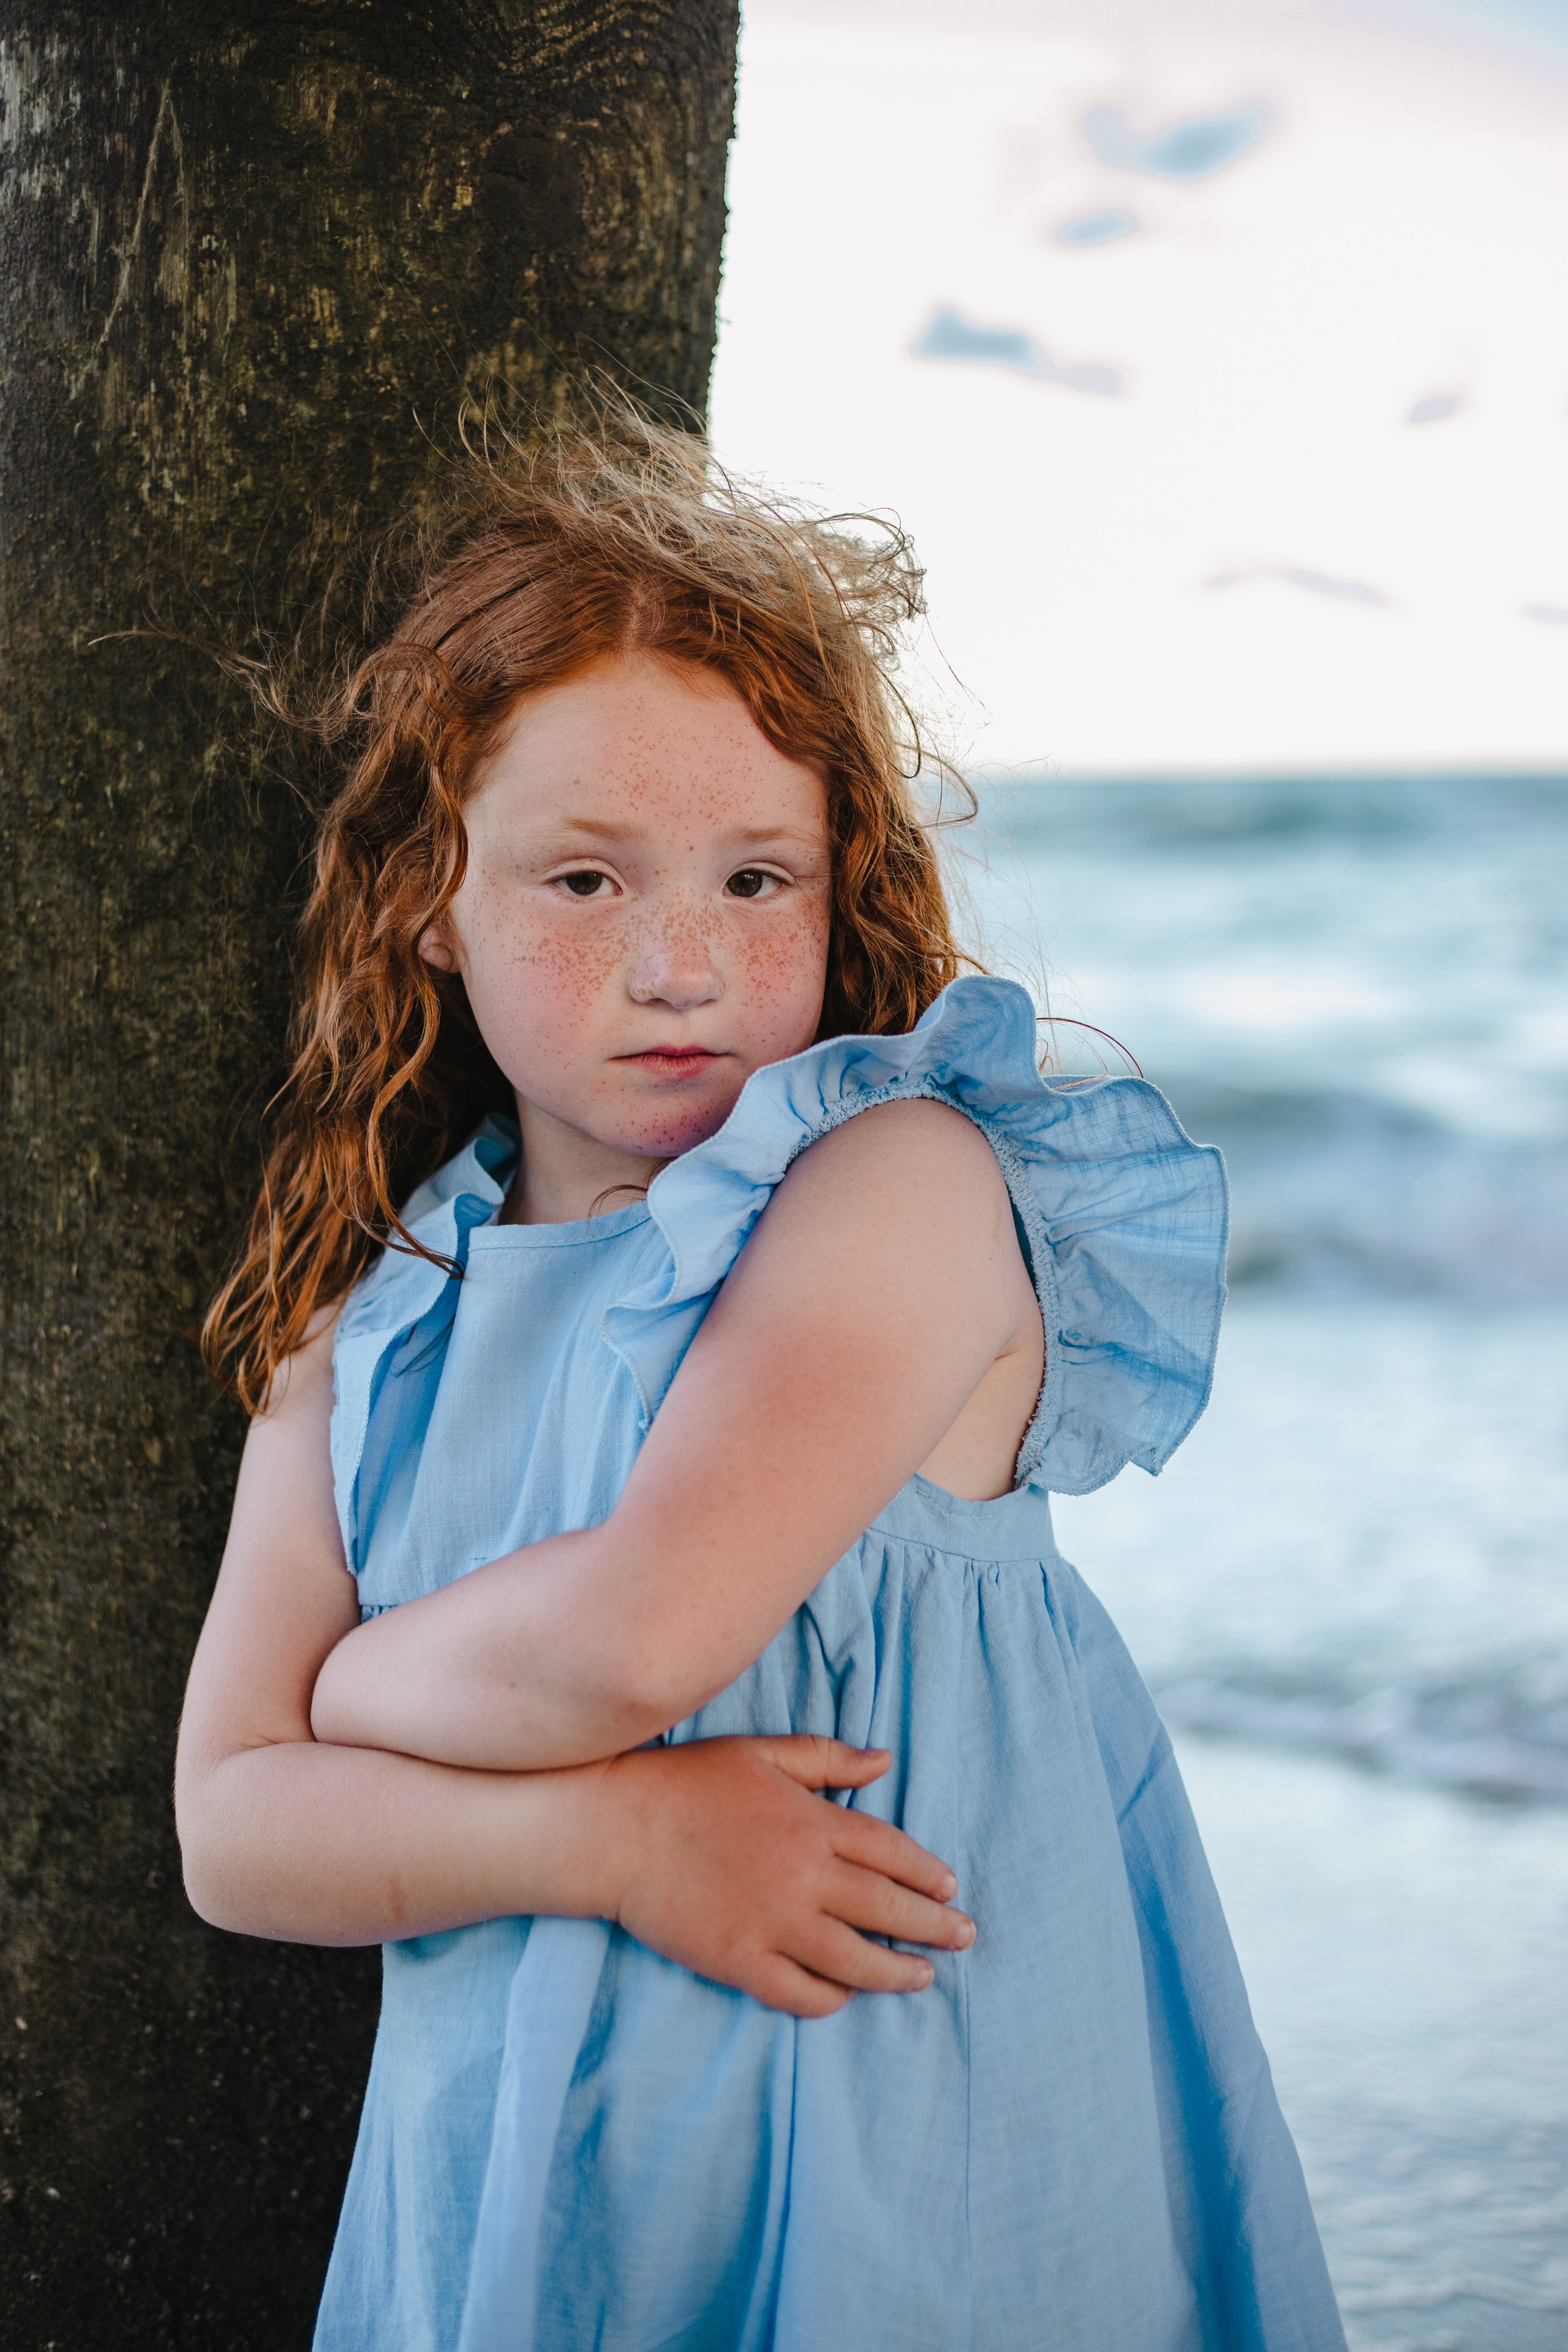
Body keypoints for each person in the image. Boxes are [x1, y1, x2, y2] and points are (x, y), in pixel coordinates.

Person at [175, 420, 1346, 2352]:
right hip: (530, 2194)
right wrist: (617, 1843)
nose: (680, 965)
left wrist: (355, 1694)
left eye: (754, 879)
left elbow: (634, 1643)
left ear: (840, 881)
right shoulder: (369, 1323)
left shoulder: (903, 1189)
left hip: (905, 2114)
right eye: (580, 881)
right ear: (424, 906)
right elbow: (236, 1834)